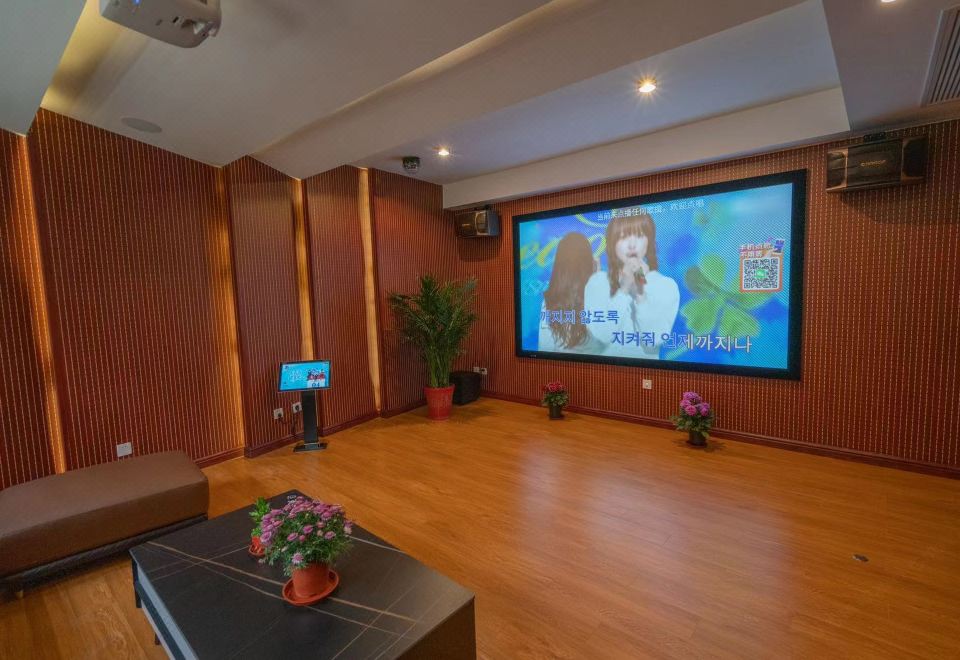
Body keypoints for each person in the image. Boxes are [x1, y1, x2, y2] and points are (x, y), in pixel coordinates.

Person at [584, 212, 679, 358]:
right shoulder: (598, 282)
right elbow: (602, 335)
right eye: (623, 237)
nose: (632, 245)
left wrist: (641, 295)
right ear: (612, 244)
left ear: (649, 241)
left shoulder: (665, 285)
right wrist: (624, 289)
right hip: (602, 369)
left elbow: (654, 339)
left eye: (640, 236)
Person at [538, 232, 607, 354]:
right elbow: (608, 341)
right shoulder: (602, 294)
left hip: (560, 365)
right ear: (589, 262)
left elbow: (545, 348)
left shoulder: (550, 301)